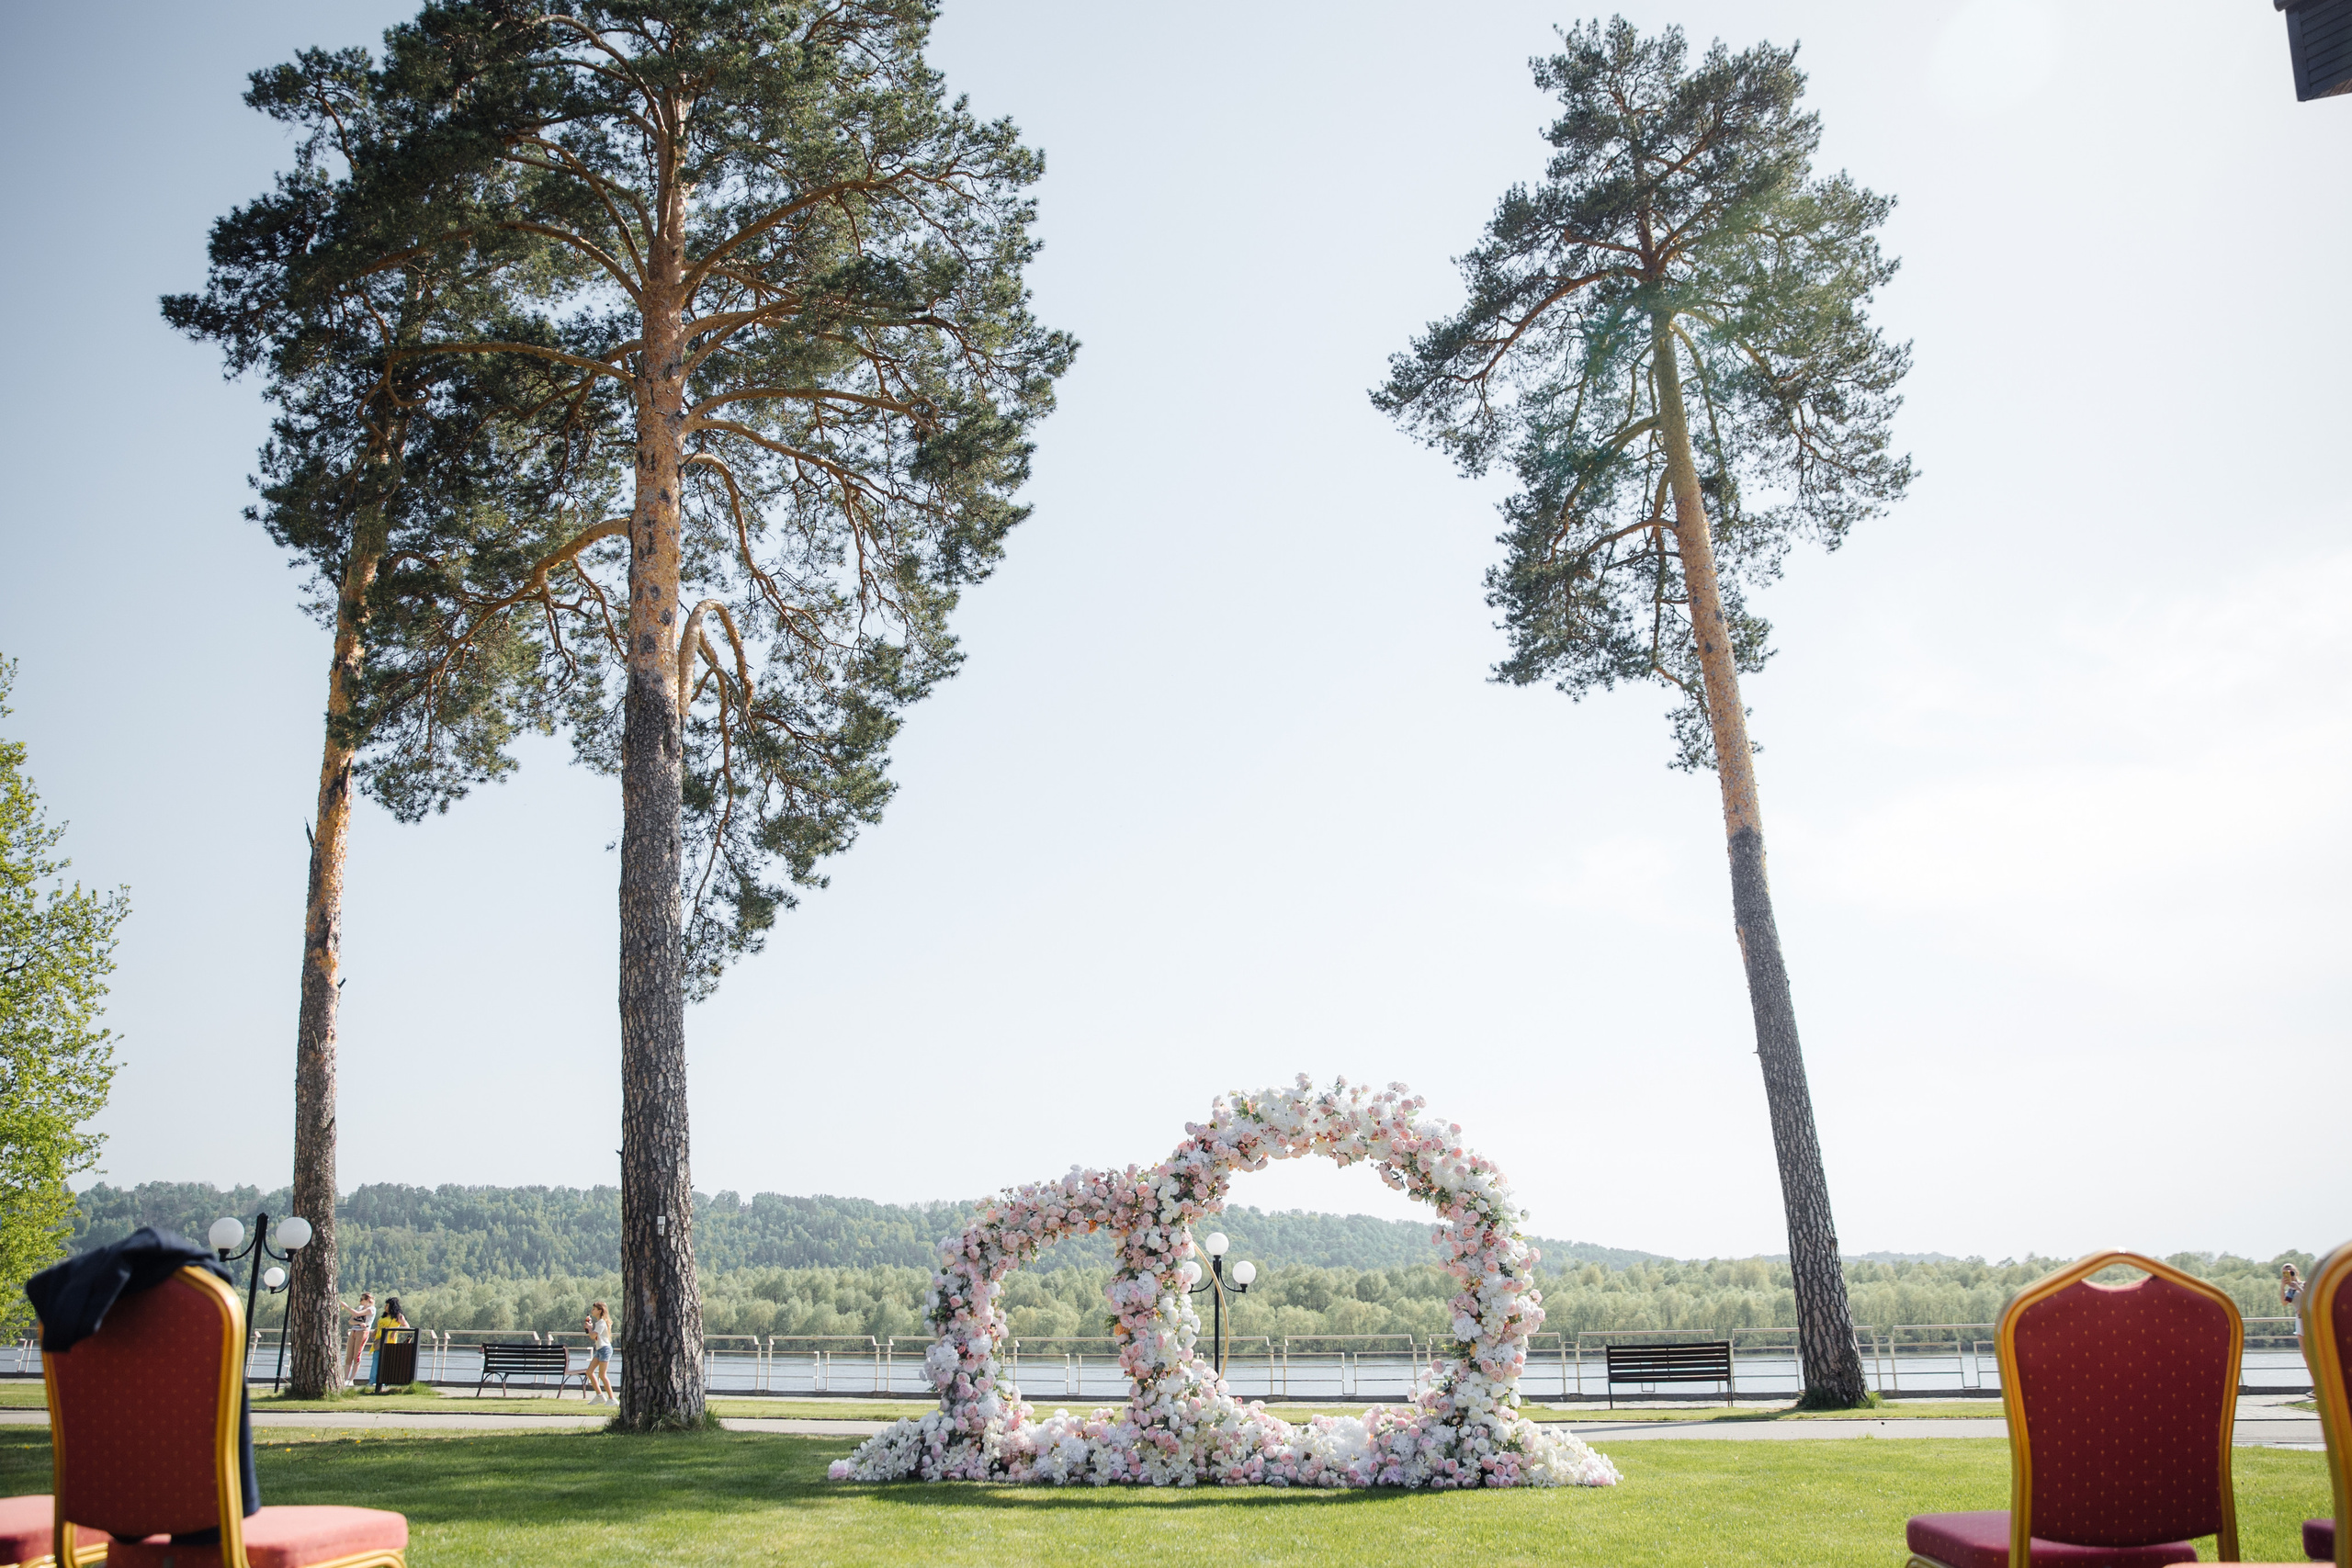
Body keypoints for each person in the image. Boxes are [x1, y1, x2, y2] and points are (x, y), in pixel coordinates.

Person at [582, 1301, 616, 1404]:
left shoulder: (601, 1323)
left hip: (605, 1349)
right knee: (589, 1372)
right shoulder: (599, 1322)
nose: (592, 1311)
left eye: (594, 1309)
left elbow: (593, 1336)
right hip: (600, 1349)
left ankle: (612, 1398)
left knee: (602, 1375)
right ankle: (599, 1395)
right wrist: (590, 1329)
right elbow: (595, 1336)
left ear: (600, 1311)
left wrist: (589, 1328)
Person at [344, 1292, 376, 1381]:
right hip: (354, 1330)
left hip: (362, 1332)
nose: (360, 1301)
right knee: (349, 1356)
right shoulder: (360, 1308)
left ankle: (351, 1379)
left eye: (362, 1299)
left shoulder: (371, 1309)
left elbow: (357, 1314)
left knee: (356, 1355)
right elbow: (351, 1321)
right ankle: (345, 1378)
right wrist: (359, 1323)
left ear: (367, 1300)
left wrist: (346, 1306)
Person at [2283, 1263, 2304, 1335]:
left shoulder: (2305, 1285)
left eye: (2291, 1273)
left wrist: (2298, 1288)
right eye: (2286, 1274)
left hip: (2309, 1318)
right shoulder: (2289, 1291)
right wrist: (2282, 1287)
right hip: (2299, 1318)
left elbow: (2310, 1299)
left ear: (2296, 1273)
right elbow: (2284, 1303)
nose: (2290, 1276)